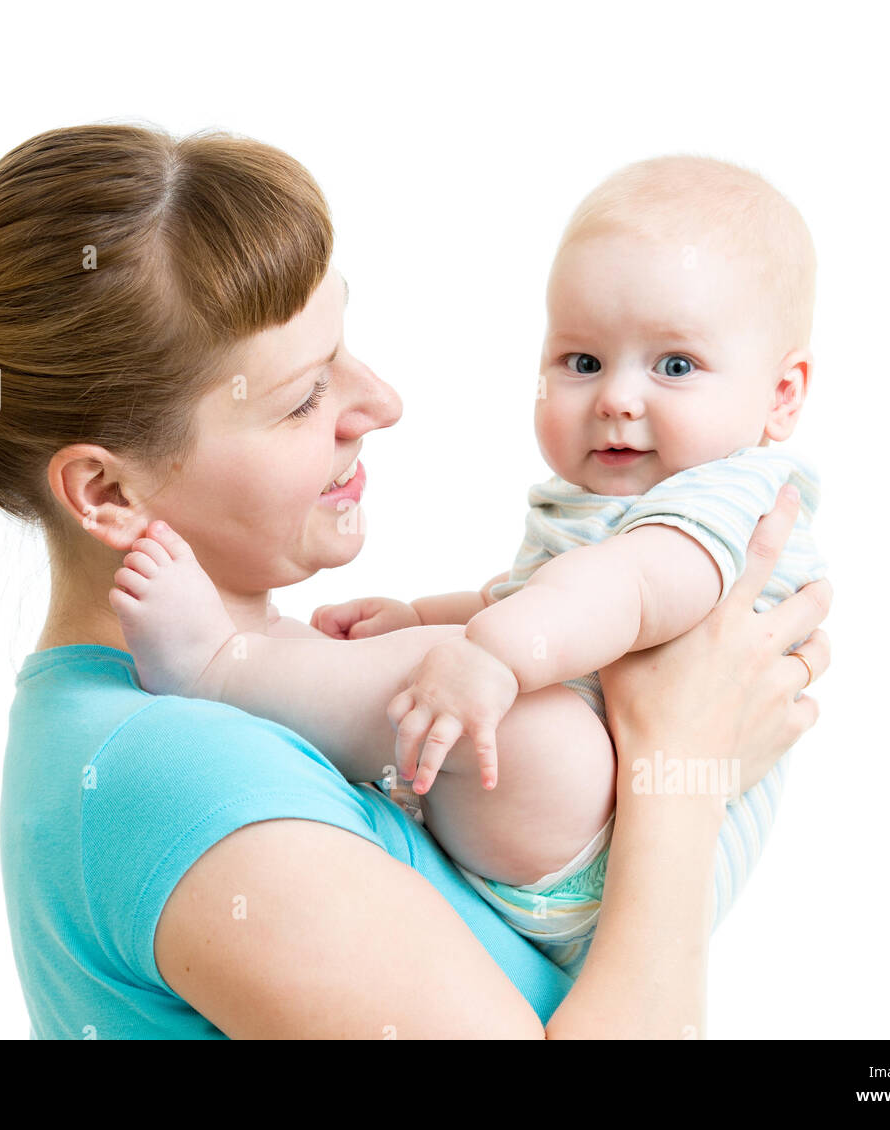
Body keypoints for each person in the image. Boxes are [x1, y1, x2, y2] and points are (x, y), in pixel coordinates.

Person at [0, 123, 831, 1038]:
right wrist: (675, 770)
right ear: (106, 491)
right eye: (301, 398)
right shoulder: (178, 774)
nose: (380, 400)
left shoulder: (242, 713)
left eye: (346, 348)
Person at [111, 154, 826, 976]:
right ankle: (305, 678)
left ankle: (218, 670)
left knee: (505, 705)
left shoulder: (736, 497)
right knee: (457, 675)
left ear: (782, 395)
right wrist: (425, 616)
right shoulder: (607, 503)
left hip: (607, 855)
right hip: (599, 823)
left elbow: (622, 592)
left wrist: (481, 652)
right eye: (583, 363)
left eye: (674, 366)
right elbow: (528, 599)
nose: (618, 399)